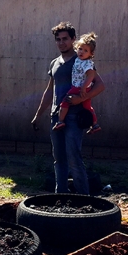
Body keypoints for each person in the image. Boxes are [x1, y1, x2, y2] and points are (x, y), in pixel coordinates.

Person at [31, 22, 105, 195]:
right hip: (56, 117)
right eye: (58, 39)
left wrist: (81, 98)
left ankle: (84, 200)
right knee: (59, 160)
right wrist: (37, 115)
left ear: (73, 39)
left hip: (74, 117)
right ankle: (61, 198)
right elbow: (50, 91)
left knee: (74, 159)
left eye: (65, 39)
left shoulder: (82, 60)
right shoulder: (54, 63)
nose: (61, 42)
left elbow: (100, 85)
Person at [52, 31, 101, 134]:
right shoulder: (78, 60)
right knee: (88, 107)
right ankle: (95, 124)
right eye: (80, 49)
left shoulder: (87, 63)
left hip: (79, 87)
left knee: (65, 102)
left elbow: (91, 76)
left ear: (91, 54)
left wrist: (83, 89)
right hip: (80, 86)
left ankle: (60, 121)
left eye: (85, 50)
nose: (81, 52)